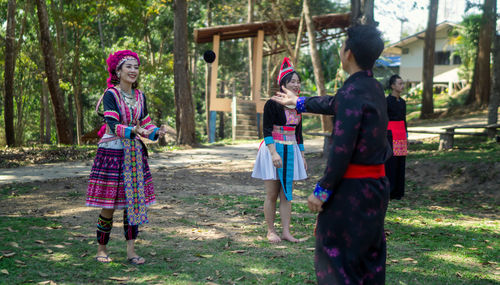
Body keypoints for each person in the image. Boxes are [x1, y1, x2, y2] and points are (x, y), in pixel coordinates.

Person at [272, 25, 391, 284]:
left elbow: (342, 148)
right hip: (376, 189)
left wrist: (323, 190)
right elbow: (332, 103)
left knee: (336, 260)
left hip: (352, 193)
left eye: (343, 44)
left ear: (347, 53)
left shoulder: (352, 92)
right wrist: (298, 102)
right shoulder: (374, 89)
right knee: (369, 260)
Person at [86, 50, 168, 265]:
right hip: (112, 153)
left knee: (134, 203)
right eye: (128, 66)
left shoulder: (140, 96)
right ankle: (101, 249)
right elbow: (112, 124)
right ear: (118, 70)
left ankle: (131, 251)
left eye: (136, 67)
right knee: (109, 204)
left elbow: (146, 123)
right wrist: (135, 131)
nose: (133, 70)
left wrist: (156, 132)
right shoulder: (110, 95)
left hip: (134, 154)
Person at [252, 57, 308, 243]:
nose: (296, 84)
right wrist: (274, 153)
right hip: (273, 150)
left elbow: (298, 133)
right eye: (292, 80)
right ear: (283, 83)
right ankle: (270, 230)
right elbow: (266, 130)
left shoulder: (298, 105)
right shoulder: (272, 103)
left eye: (298, 81)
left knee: (287, 194)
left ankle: (286, 231)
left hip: (291, 150)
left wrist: (302, 155)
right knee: (272, 193)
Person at [385, 74, 407, 200]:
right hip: (390, 134)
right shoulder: (387, 101)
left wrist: (406, 136)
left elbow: (404, 120)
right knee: (391, 163)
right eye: (399, 83)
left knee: (400, 162)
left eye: (402, 83)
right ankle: (390, 191)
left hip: (401, 134)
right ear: (392, 86)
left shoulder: (403, 102)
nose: (402, 86)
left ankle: (399, 191)